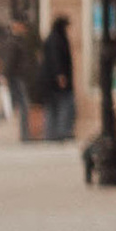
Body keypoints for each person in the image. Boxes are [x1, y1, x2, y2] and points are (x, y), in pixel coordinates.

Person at [38, 15, 76, 143]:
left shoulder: (54, 38)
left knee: (53, 107)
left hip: (50, 81)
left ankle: (53, 134)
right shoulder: (57, 39)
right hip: (56, 81)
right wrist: (60, 75)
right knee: (64, 105)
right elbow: (56, 58)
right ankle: (59, 132)